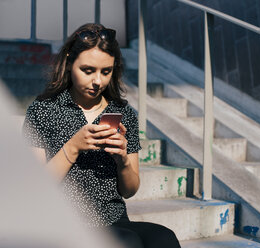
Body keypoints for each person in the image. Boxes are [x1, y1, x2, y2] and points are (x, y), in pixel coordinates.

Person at [22, 23, 181, 248]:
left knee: (163, 238)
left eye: (106, 72)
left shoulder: (122, 113)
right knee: (127, 242)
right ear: (69, 63)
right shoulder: (43, 110)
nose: (97, 81)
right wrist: (73, 147)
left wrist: (123, 160)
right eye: (88, 70)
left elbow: (129, 190)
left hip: (113, 220)